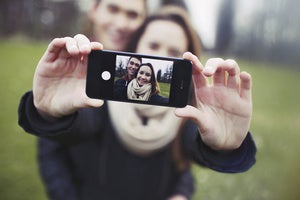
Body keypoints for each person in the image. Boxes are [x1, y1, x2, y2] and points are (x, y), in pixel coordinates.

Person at [18, 5, 256, 200]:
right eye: (153, 46)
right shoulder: (102, 94)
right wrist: (48, 113)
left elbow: (187, 157)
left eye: (174, 51)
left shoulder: (187, 112)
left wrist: (223, 147)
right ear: (135, 47)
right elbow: (76, 127)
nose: (161, 56)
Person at [35, 1, 196, 200]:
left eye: (132, 14)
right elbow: (65, 136)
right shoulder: (89, 79)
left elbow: (185, 158)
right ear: (94, 9)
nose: (121, 23)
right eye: (113, 8)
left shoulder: (180, 102)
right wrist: (49, 113)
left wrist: (181, 193)